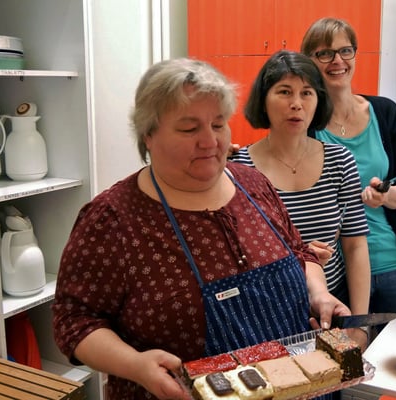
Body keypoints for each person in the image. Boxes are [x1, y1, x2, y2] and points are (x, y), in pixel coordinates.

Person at [51, 58, 351, 399]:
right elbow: (75, 321)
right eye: (189, 129)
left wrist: (318, 293)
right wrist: (135, 365)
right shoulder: (113, 218)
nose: (210, 141)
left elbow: (299, 252)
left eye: (219, 125)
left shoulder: (254, 185)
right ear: (149, 134)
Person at [229, 50, 371, 348]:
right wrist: (297, 256)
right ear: (263, 100)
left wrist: (359, 324)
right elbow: (238, 257)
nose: (296, 103)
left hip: (332, 306)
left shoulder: (340, 160)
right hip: (268, 313)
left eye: (307, 93)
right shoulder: (239, 168)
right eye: (284, 92)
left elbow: (355, 245)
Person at [300, 17, 396, 323]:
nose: (337, 61)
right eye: (325, 53)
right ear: (309, 62)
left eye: (345, 50)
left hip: (391, 260)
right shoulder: (304, 123)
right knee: (348, 350)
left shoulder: (384, 112)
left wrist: (386, 196)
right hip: (334, 272)